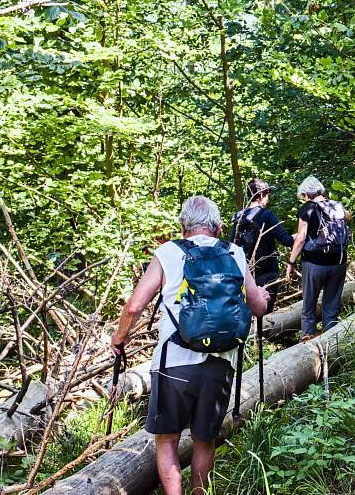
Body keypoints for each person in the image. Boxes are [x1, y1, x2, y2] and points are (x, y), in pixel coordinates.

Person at [111, 196, 270, 495]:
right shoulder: (234, 252)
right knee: (204, 439)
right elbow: (258, 307)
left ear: (182, 226)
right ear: (219, 227)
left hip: (174, 361)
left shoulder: (168, 252)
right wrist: (262, 294)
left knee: (168, 439)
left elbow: (134, 307)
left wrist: (118, 339)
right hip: (221, 362)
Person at [286, 176, 350, 342]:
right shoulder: (336, 205)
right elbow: (348, 218)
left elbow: (301, 238)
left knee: (308, 308)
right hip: (339, 263)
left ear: (307, 193)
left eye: (303, 196)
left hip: (315, 264)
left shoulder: (307, 209)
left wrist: (291, 262)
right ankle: (332, 347)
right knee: (331, 307)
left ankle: (308, 347)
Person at [230, 178, 294, 313]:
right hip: (268, 272)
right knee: (266, 312)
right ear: (261, 195)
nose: (268, 199)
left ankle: (253, 334)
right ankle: (265, 334)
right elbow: (287, 241)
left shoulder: (238, 217)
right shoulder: (267, 215)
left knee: (248, 311)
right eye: (267, 195)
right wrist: (300, 236)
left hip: (246, 273)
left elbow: (232, 246)